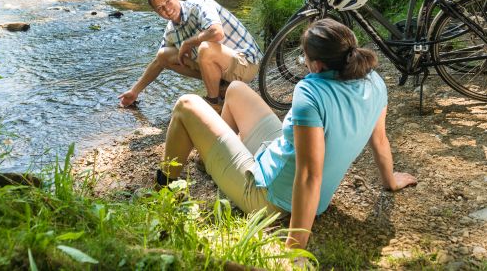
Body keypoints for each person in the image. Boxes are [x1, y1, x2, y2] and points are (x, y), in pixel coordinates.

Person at [157, 18, 417, 250]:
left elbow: (308, 175)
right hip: (280, 163)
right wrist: (390, 181)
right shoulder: (375, 82)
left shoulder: (310, 92)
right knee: (235, 89)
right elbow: (379, 139)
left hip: (269, 198)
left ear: (316, 64)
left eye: (304, 58)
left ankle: (163, 190)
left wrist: (294, 248)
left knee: (186, 105)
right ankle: (213, 161)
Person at [119, 0, 262, 109]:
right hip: (226, 69)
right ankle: (221, 87)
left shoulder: (200, 4)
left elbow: (217, 33)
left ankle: (214, 102)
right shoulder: (171, 30)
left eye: (168, 2)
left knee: (205, 48)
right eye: (160, 8)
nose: (167, 10)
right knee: (163, 55)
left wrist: (188, 43)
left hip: (246, 64)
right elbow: (159, 62)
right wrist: (134, 91)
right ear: (156, 12)